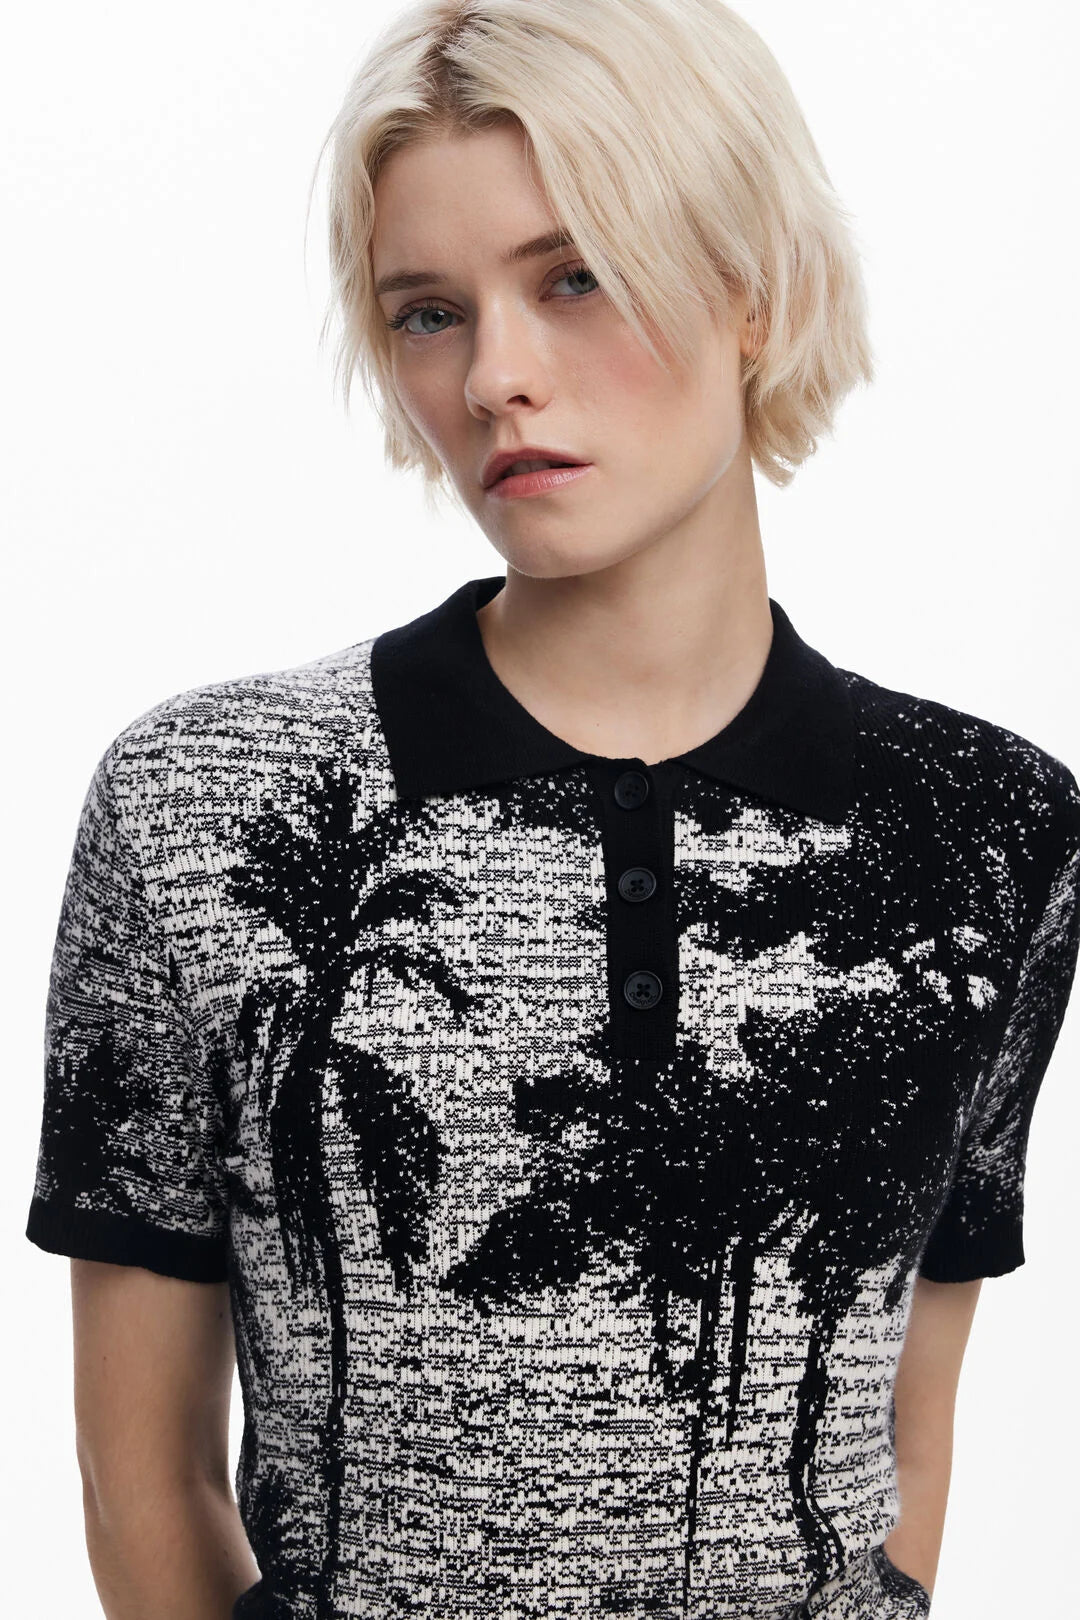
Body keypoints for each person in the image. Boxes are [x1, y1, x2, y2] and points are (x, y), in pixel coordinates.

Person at [24, 2, 1080, 1617]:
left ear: (751, 290)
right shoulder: (202, 802)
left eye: (574, 278)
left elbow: (902, 1444)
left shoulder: (989, 830)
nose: (496, 378)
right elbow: (141, 1480)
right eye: (428, 313)